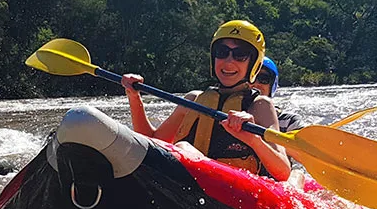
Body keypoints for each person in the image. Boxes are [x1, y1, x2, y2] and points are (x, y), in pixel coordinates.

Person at [121, 20, 291, 181]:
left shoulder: (260, 106)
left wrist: (253, 139)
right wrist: (134, 97)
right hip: (193, 184)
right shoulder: (193, 100)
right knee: (182, 149)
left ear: (253, 63)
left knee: (183, 148)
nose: (229, 61)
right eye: (222, 53)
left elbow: (283, 171)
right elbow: (150, 141)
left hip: (237, 193)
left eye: (240, 55)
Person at [251, 57, 307, 133]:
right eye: (251, 78)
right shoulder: (229, 117)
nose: (256, 84)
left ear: (272, 85)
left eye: (263, 78)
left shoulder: (290, 122)